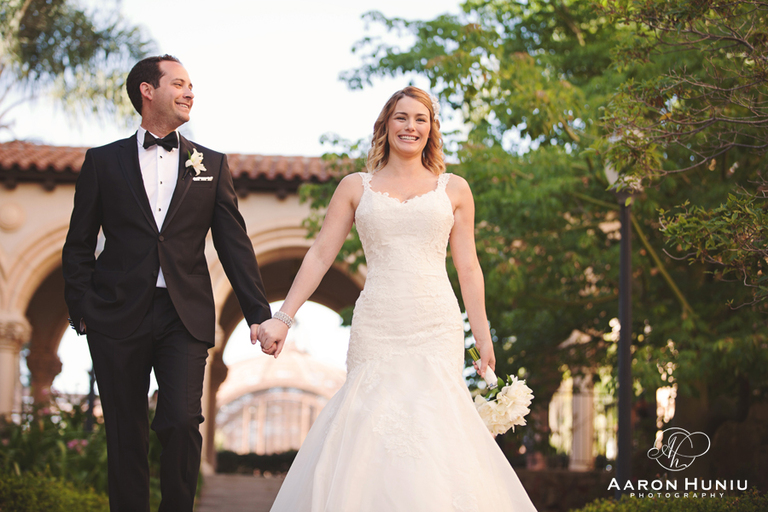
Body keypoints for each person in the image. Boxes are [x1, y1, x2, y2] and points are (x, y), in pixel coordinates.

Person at [257, 86, 537, 511]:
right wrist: (284, 317)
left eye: (420, 119)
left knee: (435, 422)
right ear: (385, 126)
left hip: (436, 323)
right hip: (378, 323)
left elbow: (468, 267)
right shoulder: (355, 187)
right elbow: (319, 255)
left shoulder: (455, 189)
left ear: (431, 129)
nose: (411, 126)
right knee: (369, 422)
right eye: (401, 117)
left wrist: (482, 336)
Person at [62, 55, 271, 512]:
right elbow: (78, 244)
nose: (189, 92)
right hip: (116, 316)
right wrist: (82, 310)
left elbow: (234, 244)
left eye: (190, 85)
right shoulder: (102, 161)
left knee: (180, 421)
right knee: (125, 433)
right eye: (178, 83)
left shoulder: (211, 163)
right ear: (147, 91)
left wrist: (259, 314)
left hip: (184, 315)